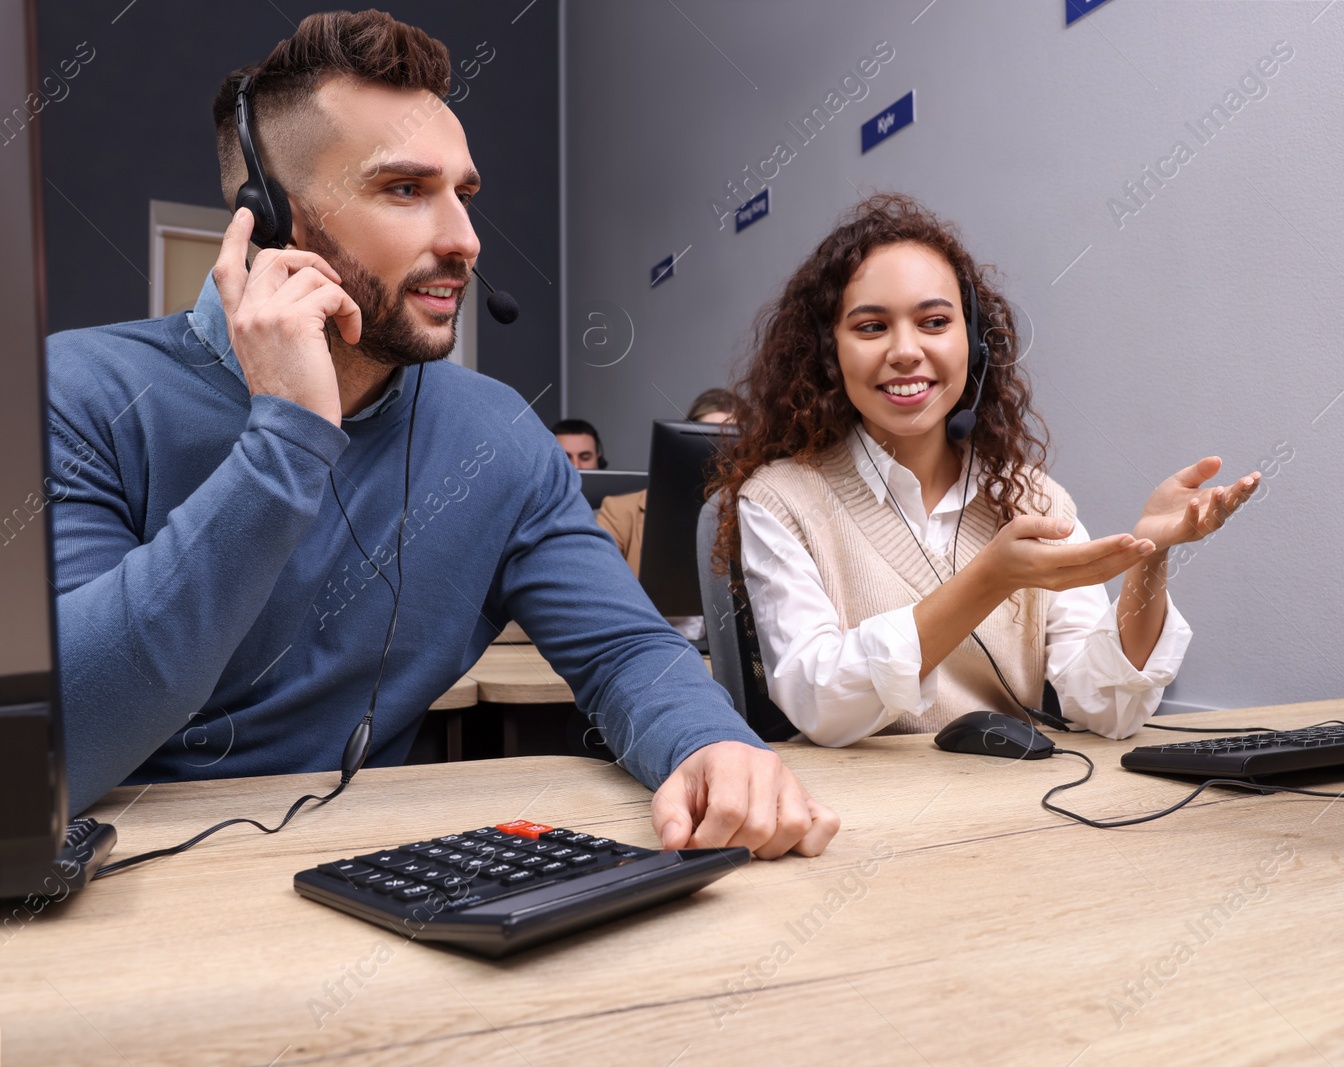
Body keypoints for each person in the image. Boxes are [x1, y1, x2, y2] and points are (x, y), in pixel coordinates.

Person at [45, 11, 837, 860]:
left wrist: (708, 745)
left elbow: (624, 650)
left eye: (463, 193)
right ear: (273, 221)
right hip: (128, 901)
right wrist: (287, 438)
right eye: (404, 189)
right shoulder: (79, 394)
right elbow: (59, 746)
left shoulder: (494, 433)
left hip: (377, 877)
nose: (464, 239)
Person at [709, 194, 1259, 747]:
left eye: (934, 322)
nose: (905, 351)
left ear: (973, 343)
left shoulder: (1032, 502)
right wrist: (991, 578)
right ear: (830, 352)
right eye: (871, 327)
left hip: (1014, 807)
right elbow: (818, 701)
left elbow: (1106, 708)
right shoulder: (781, 499)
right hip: (861, 813)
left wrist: (1148, 556)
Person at [596, 387, 734, 574]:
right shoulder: (620, 513)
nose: (719, 454)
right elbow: (601, 587)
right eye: (710, 439)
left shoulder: (758, 514)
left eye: (730, 441)